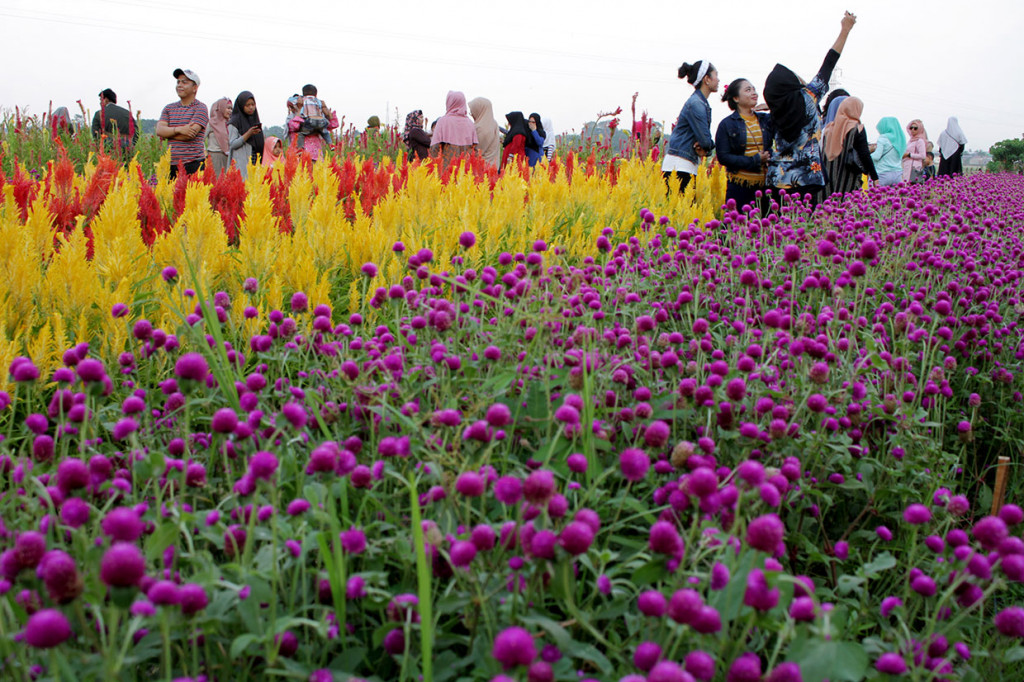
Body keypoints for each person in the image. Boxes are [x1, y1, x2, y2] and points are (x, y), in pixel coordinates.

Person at [764, 12, 857, 206]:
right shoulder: (808, 97)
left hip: (777, 178)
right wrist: (845, 30)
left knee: (779, 230)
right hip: (807, 176)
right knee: (803, 228)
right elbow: (829, 63)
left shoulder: (775, 111)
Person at [715, 78, 773, 211]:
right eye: (748, 90)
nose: (754, 93)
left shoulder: (765, 119)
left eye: (754, 89)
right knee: (737, 228)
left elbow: (786, 116)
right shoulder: (727, 124)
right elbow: (724, 157)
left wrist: (772, 107)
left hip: (765, 186)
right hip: (740, 187)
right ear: (736, 98)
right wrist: (755, 160)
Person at [663, 58, 718, 193]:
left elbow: (704, 143)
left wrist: (706, 147)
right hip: (680, 166)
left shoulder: (700, 103)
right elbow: (705, 141)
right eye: (716, 75)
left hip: (685, 164)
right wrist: (707, 146)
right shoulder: (696, 104)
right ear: (707, 79)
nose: (718, 80)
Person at [156, 68, 209, 179]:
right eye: (178, 82)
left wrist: (169, 133)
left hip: (193, 164)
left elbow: (189, 135)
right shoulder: (169, 108)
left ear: (195, 88)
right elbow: (159, 131)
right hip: (171, 165)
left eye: (184, 82)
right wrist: (179, 129)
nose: (180, 85)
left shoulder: (201, 108)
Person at [821, 96, 877, 198]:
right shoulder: (857, 128)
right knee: (844, 205)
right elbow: (864, 154)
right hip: (847, 175)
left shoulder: (828, 129)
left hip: (827, 174)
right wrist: (874, 176)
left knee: (827, 206)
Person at [429, 91, 479, 170]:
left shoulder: (443, 122)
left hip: (446, 171)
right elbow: (475, 151)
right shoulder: (470, 124)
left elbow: (434, 150)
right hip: (466, 172)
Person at [286, 90, 338, 161]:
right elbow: (295, 126)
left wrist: (325, 109)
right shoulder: (291, 118)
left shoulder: (313, 115)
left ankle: (330, 144)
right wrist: (300, 109)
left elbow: (334, 124)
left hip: (316, 156)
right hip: (299, 157)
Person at [227, 91, 263, 179]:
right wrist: (248, 134)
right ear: (241, 106)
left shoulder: (254, 120)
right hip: (241, 164)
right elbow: (232, 144)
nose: (251, 107)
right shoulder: (234, 122)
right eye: (247, 105)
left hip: (255, 160)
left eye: (253, 104)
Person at [91, 88, 137, 155]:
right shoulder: (127, 113)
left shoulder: (99, 114)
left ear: (106, 100)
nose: (100, 103)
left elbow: (96, 135)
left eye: (101, 100)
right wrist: (129, 145)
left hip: (108, 152)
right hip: (127, 151)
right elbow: (136, 132)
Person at [292, 84, 333, 150]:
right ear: (316, 94)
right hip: (321, 121)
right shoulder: (319, 101)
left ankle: (299, 148)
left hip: (310, 121)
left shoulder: (303, 100)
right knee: (325, 132)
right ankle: (330, 144)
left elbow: (292, 101)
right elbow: (328, 115)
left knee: (301, 134)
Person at [870, 116, 905, 186]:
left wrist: (868, 155)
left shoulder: (883, 138)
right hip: (897, 173)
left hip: (883, 172)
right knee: (896, 196)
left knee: (878, 195)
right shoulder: (900, 139)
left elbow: (876, 156)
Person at [468, 97, 501, 168]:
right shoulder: (494, 124)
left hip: (482, 170)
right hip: (494, 167)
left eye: (472, 112)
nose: (472, 115)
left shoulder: (481, 128)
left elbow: (476, 152)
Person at [206, 97, 232, 176]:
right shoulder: (212, 123)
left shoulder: (229, 124)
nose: (230, 111)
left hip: (227, 156)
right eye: (228, 108)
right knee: (216, 180)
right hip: (215, 156)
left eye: (231, 108)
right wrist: (204, 152)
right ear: (221, 108)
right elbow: (201, 139)